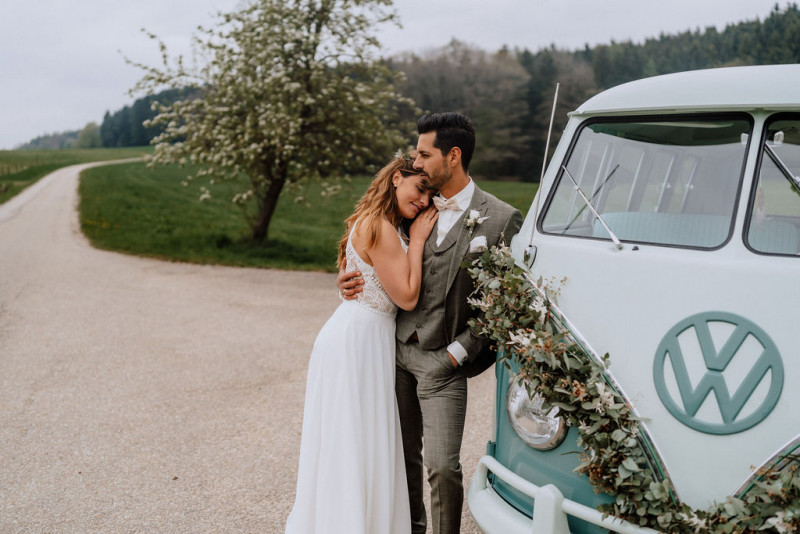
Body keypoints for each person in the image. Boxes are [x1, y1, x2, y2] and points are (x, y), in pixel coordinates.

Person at [338, 112, 524, 534]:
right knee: (401, 457)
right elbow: (371, 246)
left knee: (442, 467)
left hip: (446, 363)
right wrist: (349, 279)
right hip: (398, 351)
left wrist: (459, 354)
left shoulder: (499, 219)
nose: (416, 162)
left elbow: (503, 305)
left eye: (424, 154)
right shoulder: (413, 204)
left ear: (453, 156)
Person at [285, 155, 438, 534]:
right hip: (357, 342)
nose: (422, 202)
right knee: (353, 441)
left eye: (429, 196)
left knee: (358, 439)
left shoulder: (381, 223)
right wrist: (417, 241)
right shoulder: (381, 227)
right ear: (396, 178)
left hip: (363, 336)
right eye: (419, 189)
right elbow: (405, 296)